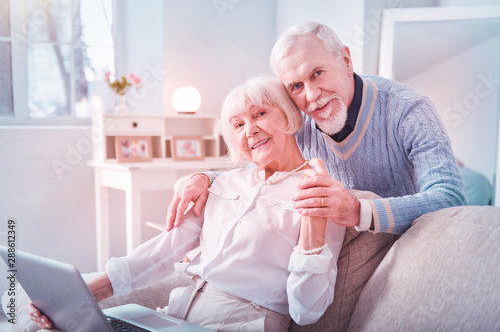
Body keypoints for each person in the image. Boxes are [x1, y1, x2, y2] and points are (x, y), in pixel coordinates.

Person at [27, 76, 345, 332]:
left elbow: (307, 311)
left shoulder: (319, 191)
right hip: (176, 317)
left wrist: (313, 236)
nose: (250, 130)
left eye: (260, 114)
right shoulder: (222, 183)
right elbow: (164, 251)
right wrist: (80, 297)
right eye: (237, 125)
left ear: (289, 117)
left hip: (244, 322)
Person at [167, 21, 467, 235]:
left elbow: (450, 198)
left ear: (346, 60)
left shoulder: (409, 109)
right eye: (296, 86)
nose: (310, 96)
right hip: (339, 251)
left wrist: (357, 210)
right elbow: (262, 171)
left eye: (318, 73)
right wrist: (206, 177)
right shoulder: (299, 122)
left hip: (408, 245)